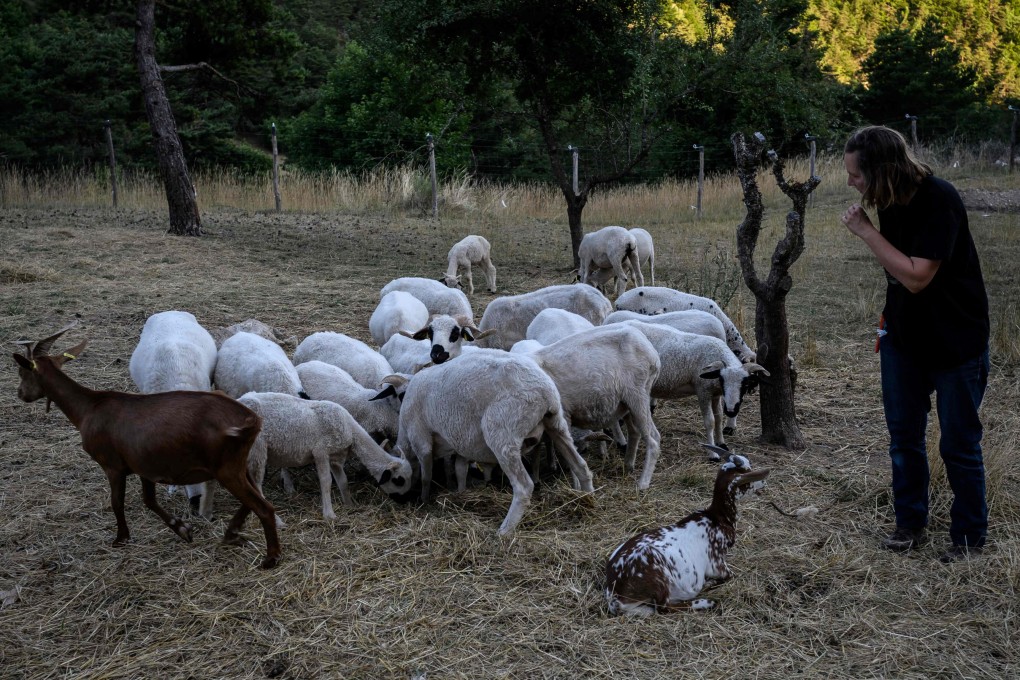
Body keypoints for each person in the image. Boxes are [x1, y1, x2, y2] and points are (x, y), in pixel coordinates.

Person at [840, 125, 990, 563]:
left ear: (881, 171)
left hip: (955, 342)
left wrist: (867, 232)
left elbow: (916, 276)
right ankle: (910, 523)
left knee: (958, 444)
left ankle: (968, 538)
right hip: (904, 340)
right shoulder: (891, 201)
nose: (851, 183)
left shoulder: (938, 199)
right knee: (903, 438)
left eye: (856, 175)